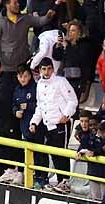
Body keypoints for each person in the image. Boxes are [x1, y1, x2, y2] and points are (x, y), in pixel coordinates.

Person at [28, 59, 78, 192]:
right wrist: (34, 122)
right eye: (43, 69)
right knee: (53, 153)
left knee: (61, 152)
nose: (46, 72)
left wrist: (66, 115)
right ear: (40, 70)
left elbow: (73, 101)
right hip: (47, 124)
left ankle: (65, 181)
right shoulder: (39, 84)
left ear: (52, 69)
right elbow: (40, 105)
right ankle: (59, 180)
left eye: (49, 69)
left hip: (61, 124)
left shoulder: (61, 82)